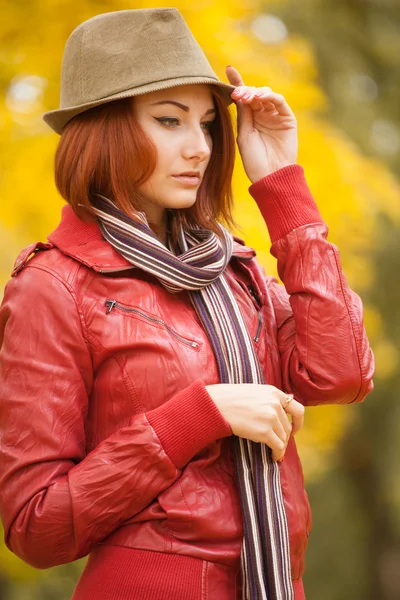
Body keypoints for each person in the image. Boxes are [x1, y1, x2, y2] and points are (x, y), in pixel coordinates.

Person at [0, 8, 375, 600]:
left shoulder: (232, 270)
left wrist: (283, 185)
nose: (199, 148)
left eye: (206, 124)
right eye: (170, 121)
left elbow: (341, 374)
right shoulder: (54, 285)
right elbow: (37, 526)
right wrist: (200, 415)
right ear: (105, 129)